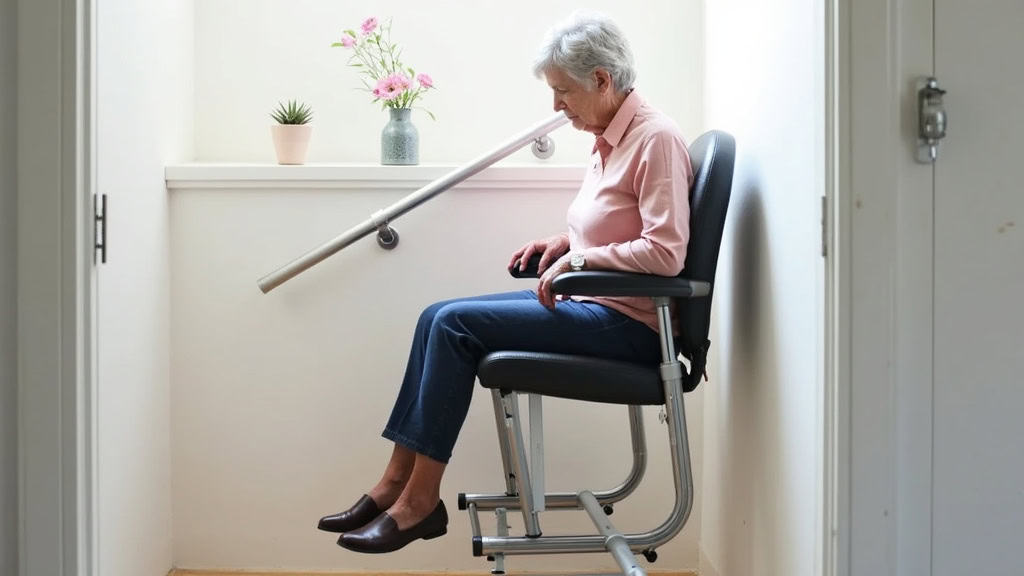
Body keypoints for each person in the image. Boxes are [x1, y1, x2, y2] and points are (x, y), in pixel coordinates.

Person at [318, 11, 694, 554]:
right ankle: (393, 485)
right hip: (597, 303)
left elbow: (666, 251)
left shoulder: (654, 140)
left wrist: (582, 262)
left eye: (564, 92)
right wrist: (565, 245)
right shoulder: (612, 136)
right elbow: (620, 227)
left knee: (453, 326)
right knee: (435, 316)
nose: (556, 106)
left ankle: (421, 502)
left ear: (602, 81)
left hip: (631, 326)